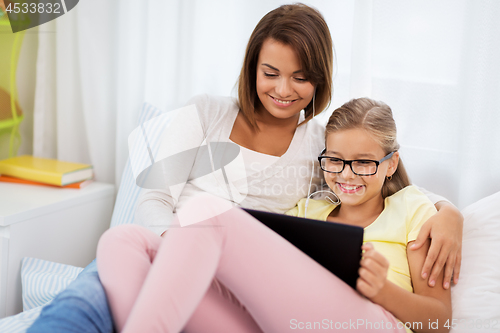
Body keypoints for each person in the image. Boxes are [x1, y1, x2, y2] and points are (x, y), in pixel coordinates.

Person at [28, 4, 461, 333]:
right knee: (120, 241)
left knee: (203, 216)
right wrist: (183, 251)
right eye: (270, 72)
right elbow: (155, 199)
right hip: (185, 260)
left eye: (300, 77)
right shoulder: (211, 117)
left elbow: (379, 171)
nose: (283, 89)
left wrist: (450, 214)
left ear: (320, 79)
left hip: (320, 303)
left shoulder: (322, 145)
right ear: (252, 68)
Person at [96, 97, 452, 333]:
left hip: (373, 323)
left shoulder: (413, 210)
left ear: (391, 164)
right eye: (336, 161)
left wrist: (382, 290)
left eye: (363, 163)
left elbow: (441, 321)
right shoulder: (308, 210)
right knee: (122, 240)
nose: (346, 175)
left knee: (205, 211)